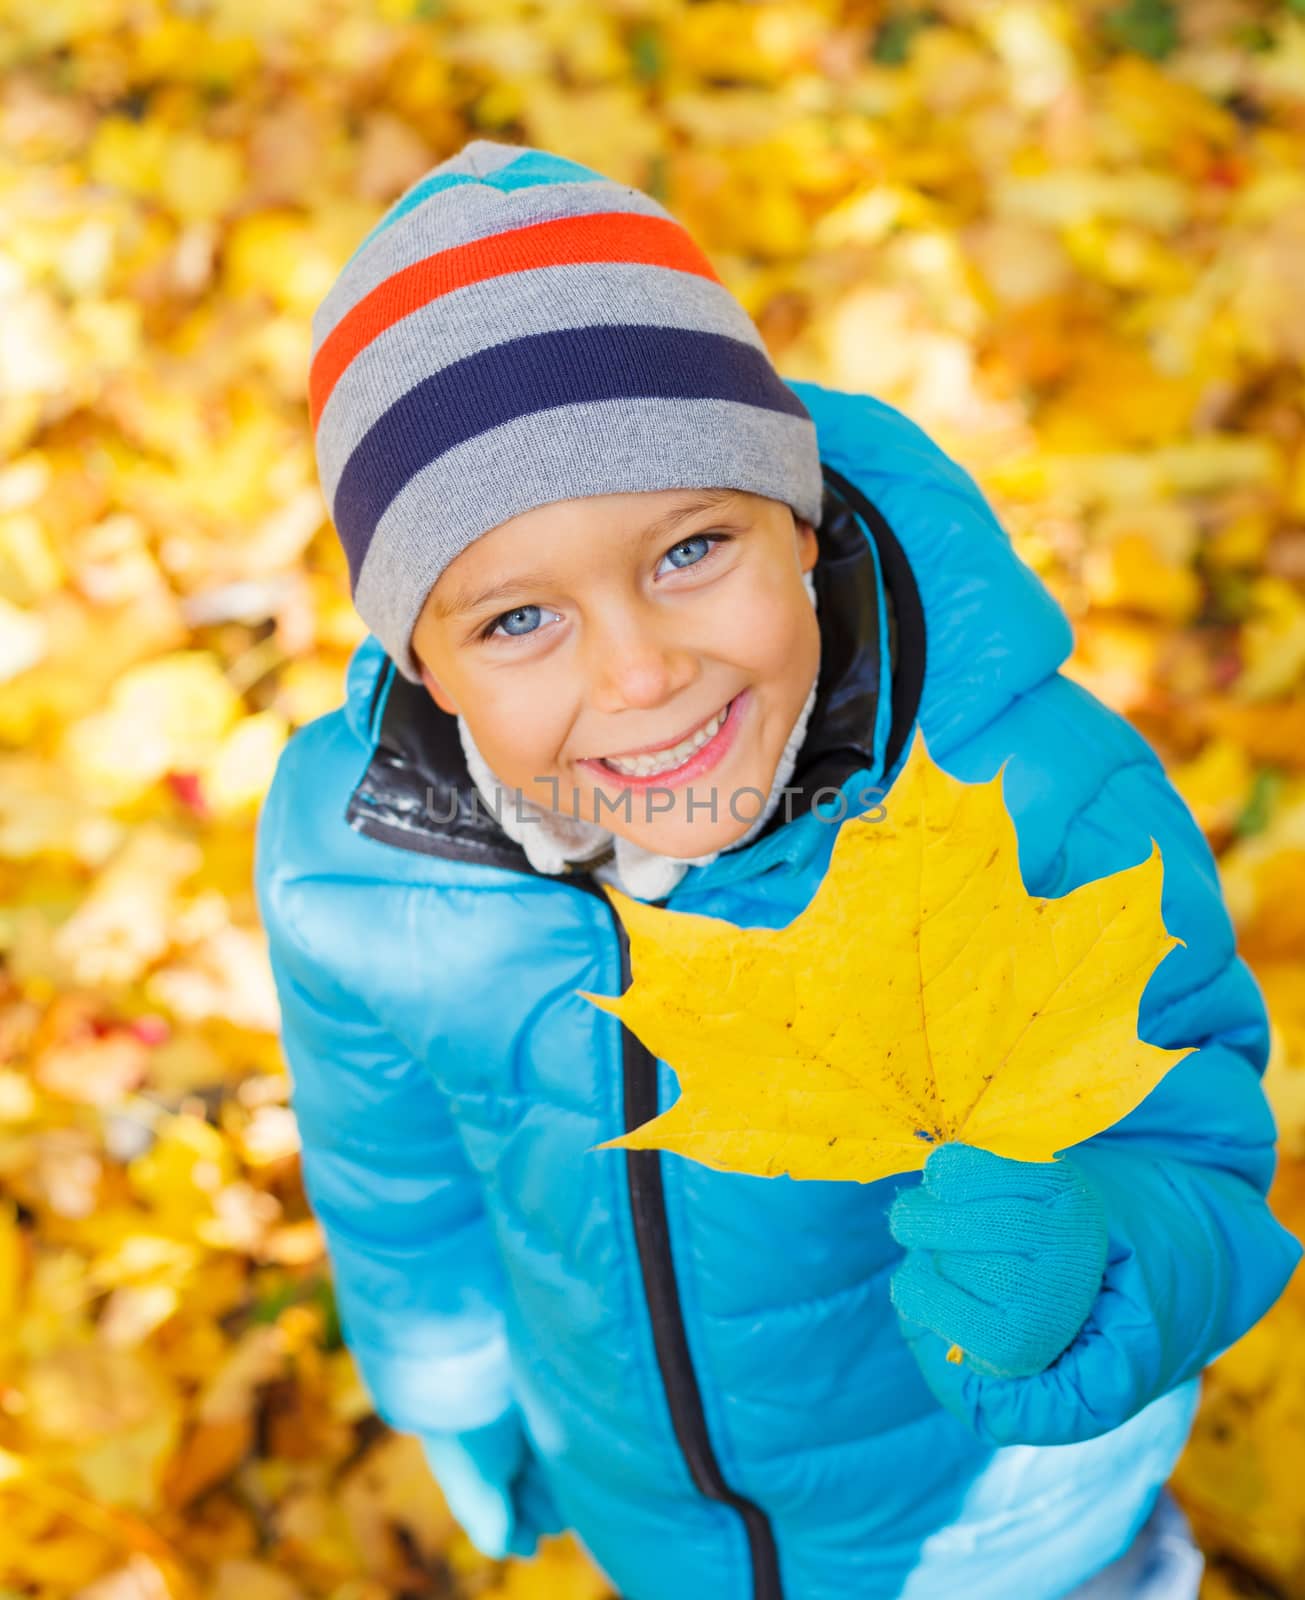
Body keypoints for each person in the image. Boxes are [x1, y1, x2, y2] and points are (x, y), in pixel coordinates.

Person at [254, 140, 1301, 1600]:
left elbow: (1190, 1144)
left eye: (690, 548)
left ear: (796, 525)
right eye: (515, 623)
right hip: (655, 1527)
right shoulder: (356, 858)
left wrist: (1095, 1272)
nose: (640, 671)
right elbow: (397, 1175)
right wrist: (455, 1396)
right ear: (416, 661)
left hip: (1007, 1541)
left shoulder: (1028, 797)